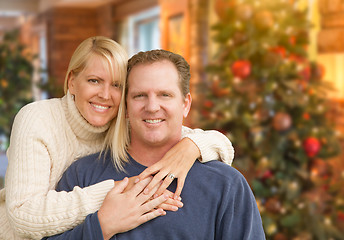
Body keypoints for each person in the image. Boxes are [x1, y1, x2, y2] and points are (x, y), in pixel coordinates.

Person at [0, 37, 235, 239]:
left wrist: (191, 147)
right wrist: (117, 194)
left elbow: (167, 128)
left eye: (116, 85)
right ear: (72, 81)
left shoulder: (120, 120)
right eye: (94, 80)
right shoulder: (38, 119)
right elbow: (23, 217)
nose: (105, 95)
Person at [46, 49, 265, 239]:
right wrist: (102, 227)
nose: (152, 107)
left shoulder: (226, 185)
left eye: (165, 95)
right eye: (140, 95)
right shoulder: (82, 175)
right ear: (126, 105)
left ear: (185, 104)